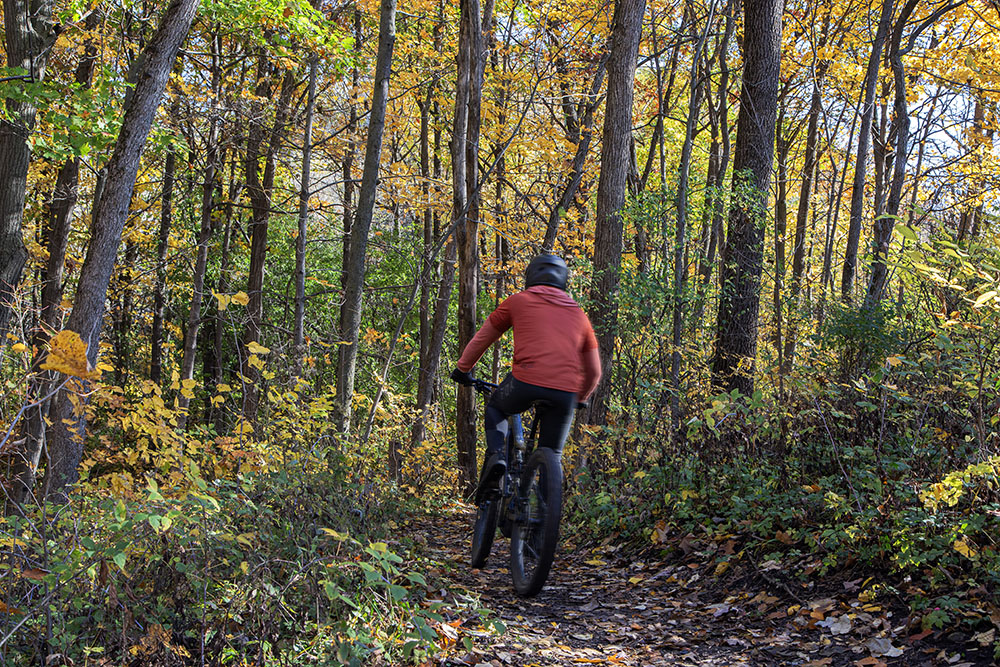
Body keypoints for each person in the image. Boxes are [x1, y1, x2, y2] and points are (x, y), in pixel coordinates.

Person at [451, 253, 602, 502]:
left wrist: (463, 369)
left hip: (525, 382)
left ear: (531, 276)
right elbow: (594, 370)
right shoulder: (578, 314)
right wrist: (582, 397)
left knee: (497, 407)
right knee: (551, 452)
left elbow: (483, 338)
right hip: (565, 392)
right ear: (564, 281)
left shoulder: (517, 301)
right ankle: (542, 526)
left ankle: (498, 457)